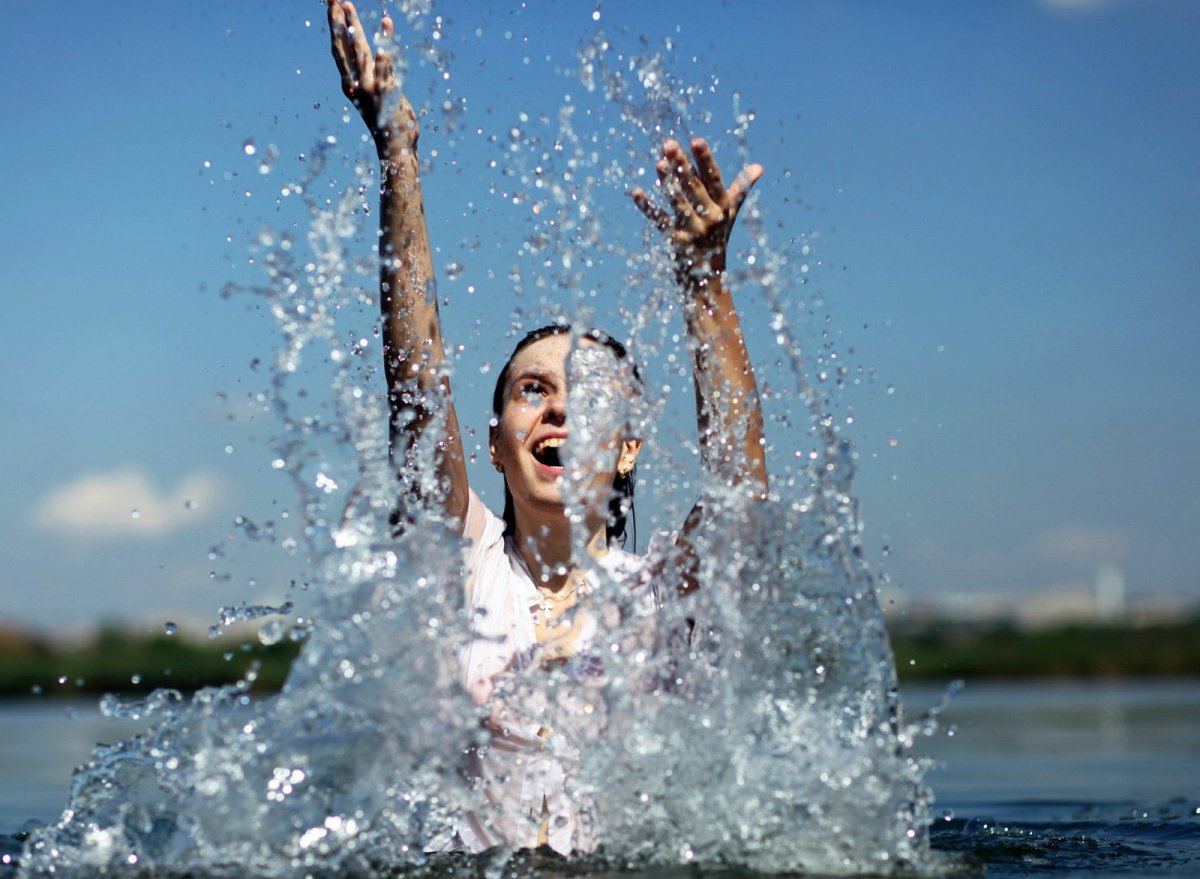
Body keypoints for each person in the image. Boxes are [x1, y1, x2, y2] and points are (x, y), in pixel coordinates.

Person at [327, 0, 767, 855]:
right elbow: (415, 389)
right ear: (495, 441)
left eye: (589, 394)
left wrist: (705, 287)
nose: (560, 407)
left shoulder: (659, 597)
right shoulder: (461, 568)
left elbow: (741, 497)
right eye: (533, 390)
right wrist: (398, 156)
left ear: (629, 443)